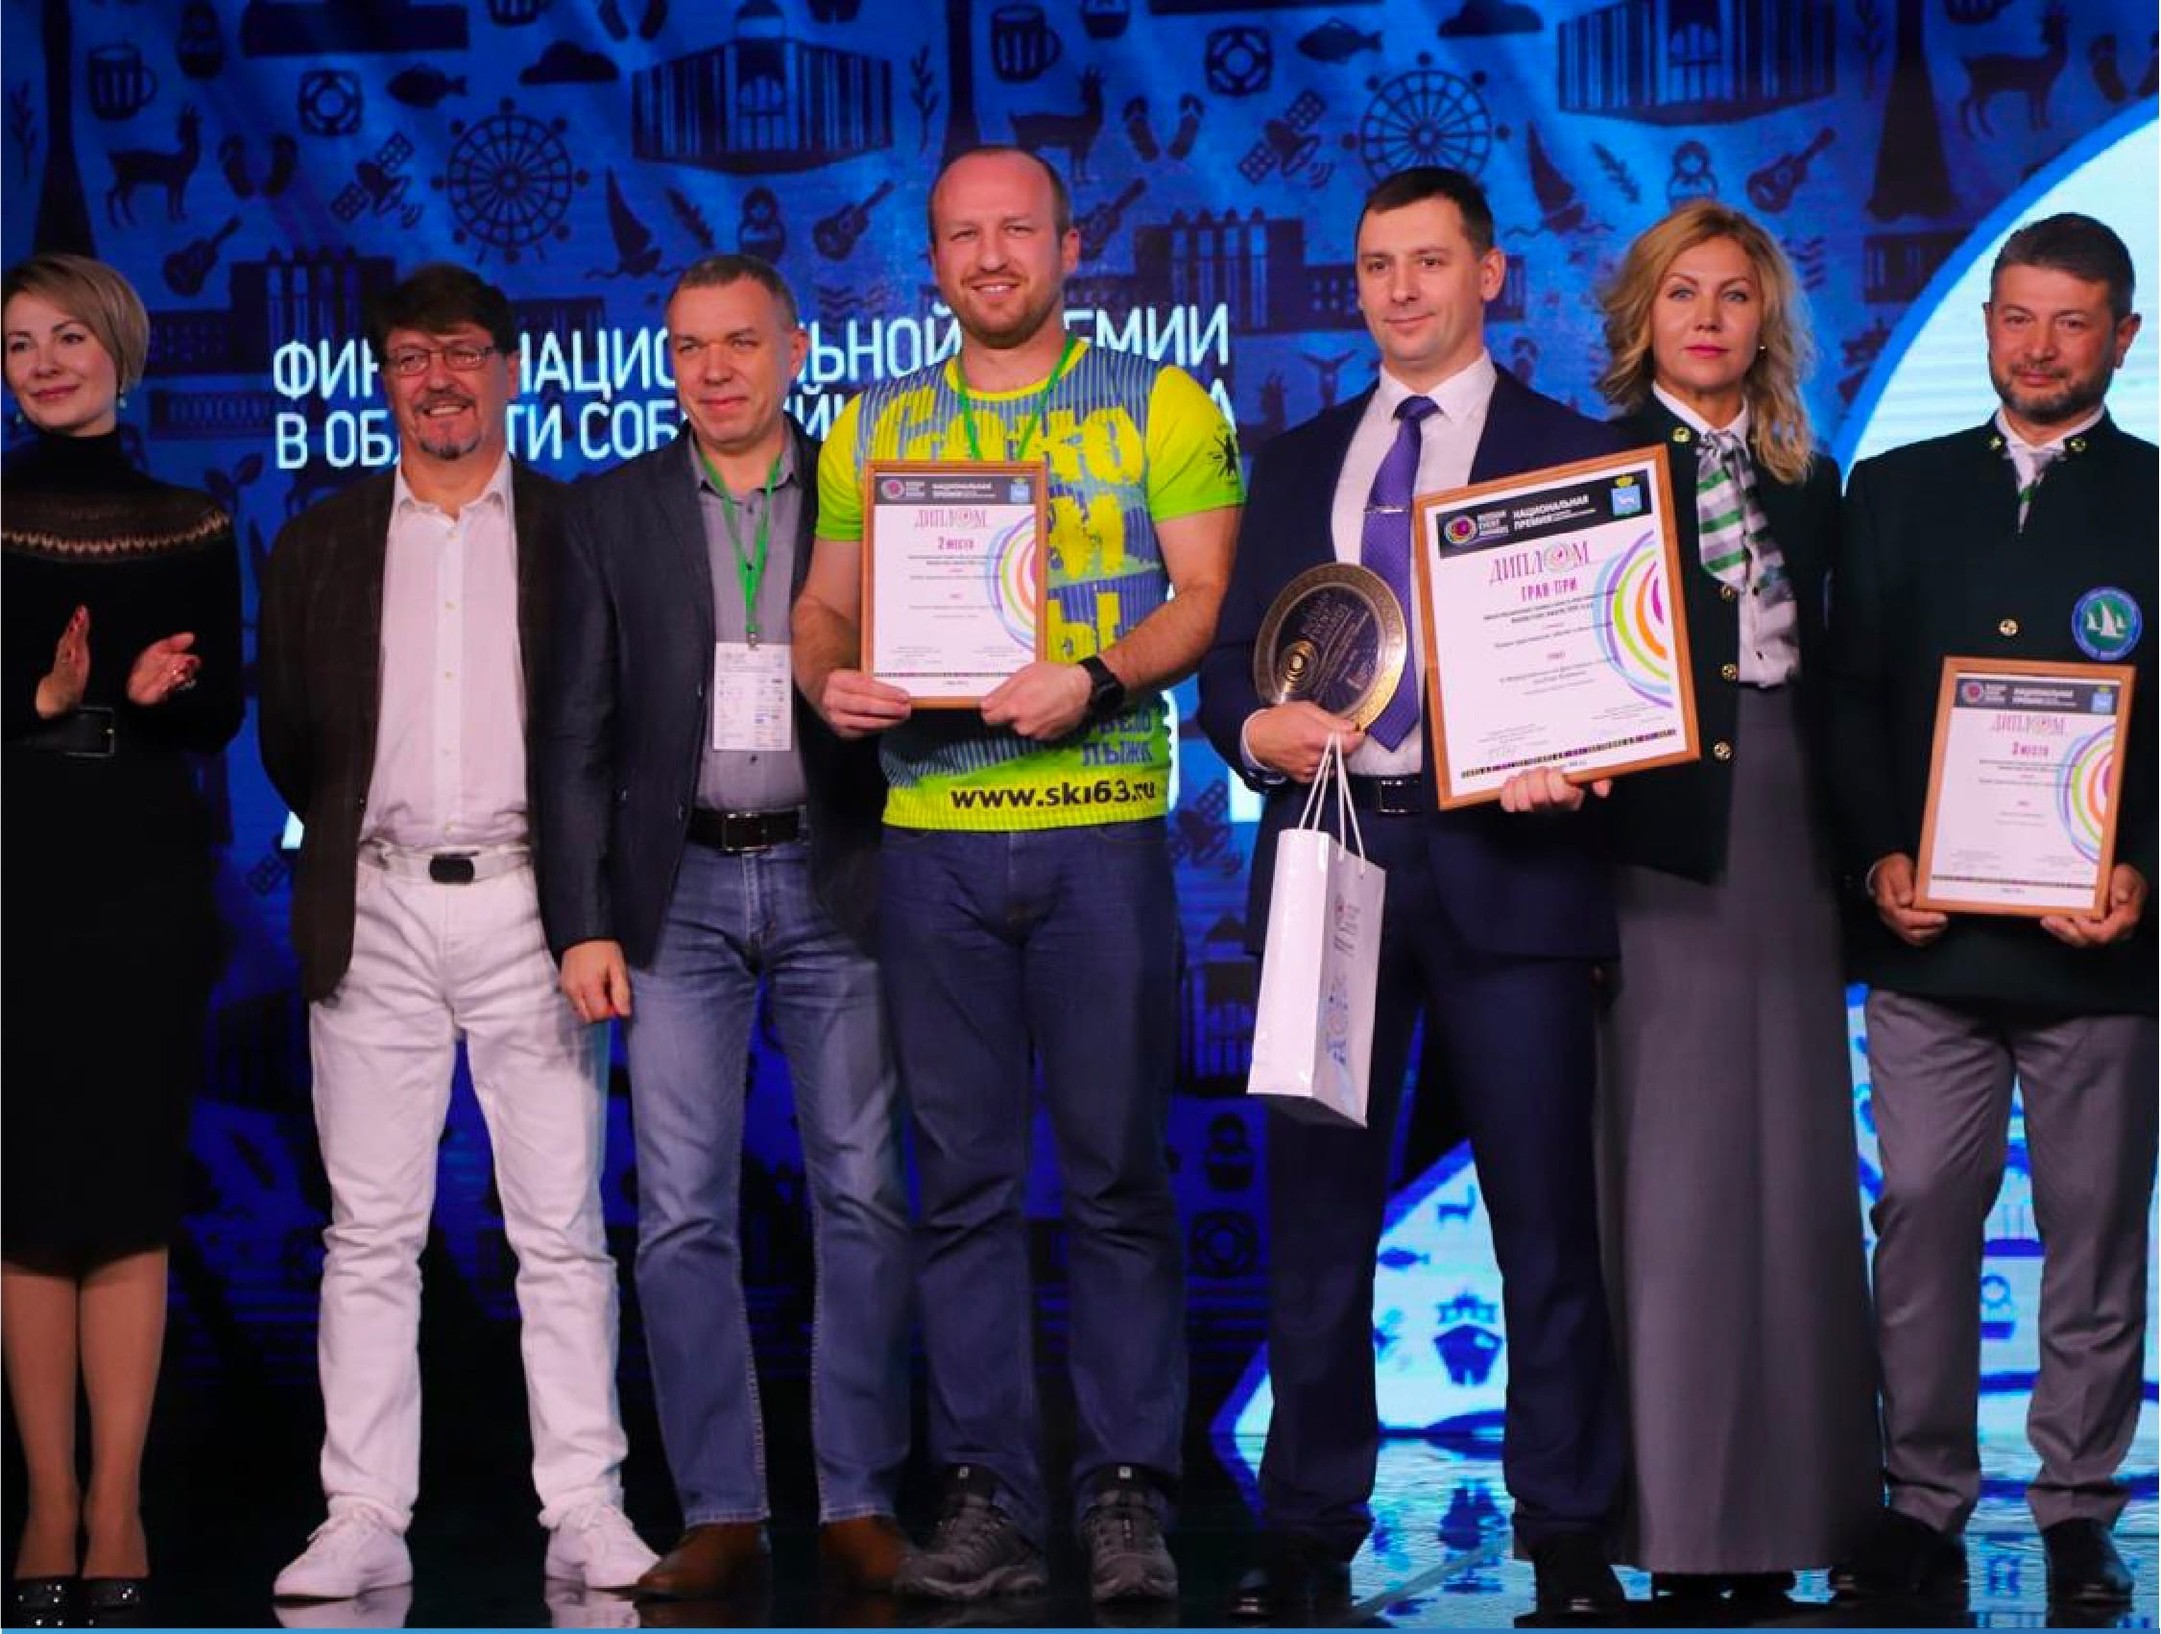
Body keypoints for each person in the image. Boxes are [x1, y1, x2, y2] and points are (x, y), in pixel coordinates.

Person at [793, 145, 1243, 1604]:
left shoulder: (1160, 402)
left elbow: (1206, 596)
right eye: (962, 235)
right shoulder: (875, 423)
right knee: (963, 1189)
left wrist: (1095, 675)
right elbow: (823, 605)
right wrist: (827, 678)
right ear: (931, 259)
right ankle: (988, 1492)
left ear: (1068, 244)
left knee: (1116, 1178)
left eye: (1017, 230)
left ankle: (1126, 1495)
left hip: (1100, 828)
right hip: (930, 841)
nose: (991, 256)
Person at [1195, 166, 1628, 1621]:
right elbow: (1230, 667)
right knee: (1318, 1214)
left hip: (1513, 861)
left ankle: (1567, 1529)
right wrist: (1251, 729)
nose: (1401, 289)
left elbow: (1615, 661)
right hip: (1331, 856)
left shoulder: (1572, 452)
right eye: (1379, 264)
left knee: (1542, 1217)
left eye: (1430, 262)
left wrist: (1583, 755)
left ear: (1489, 275)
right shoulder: (1298, 456)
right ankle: (1308, 1524)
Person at [257, 264, 655, 1600]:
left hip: (535, 907)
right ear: (383, 378)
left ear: (510, 371)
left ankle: (586, 1505)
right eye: (415, 357)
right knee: (369, 1233)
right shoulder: (318, 540)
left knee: (560, 1229)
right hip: (370, 902)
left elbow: (612, 729)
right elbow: (293, 738)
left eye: (466, 352)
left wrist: (585, 904)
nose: (440, 379)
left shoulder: (573, 530)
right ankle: (363, 1510)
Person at [534, 254, 911, 1600]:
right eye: (690, 346)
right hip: (676, 888)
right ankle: (722, 1507)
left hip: (835, 868)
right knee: (681, 1211)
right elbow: (572, 733)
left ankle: (860, 1497)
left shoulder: (863, 491)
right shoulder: (609, 510)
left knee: (862, 1191)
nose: (714, 369)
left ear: (795, 351)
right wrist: (580, 919)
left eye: (741, 342)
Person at [1825, 212, 2156, 1611]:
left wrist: (2143, 870)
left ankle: (2077, 1507)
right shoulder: (1892, 488)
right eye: (2015, 317)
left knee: (2094, 1234)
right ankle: (1921, 1503)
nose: (2038, 346)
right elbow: (1848, 699)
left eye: (2070, 321)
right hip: (1929, 943)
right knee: (1917, 1217)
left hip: (2103, 951)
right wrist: (1876, 859)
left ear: (2122, 337)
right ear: (1985, 326)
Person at [1590, 202, 1879, 1604]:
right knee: (1676, 1186)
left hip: (1788, 841)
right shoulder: (1588, 469)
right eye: (1682, 294)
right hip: (1652, 851)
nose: (1707, 319)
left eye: (1734, 295)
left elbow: (1847, 680)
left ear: (1767, 320)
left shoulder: (1809, 479)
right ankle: (1682, 1528)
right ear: (1640, 315)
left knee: (1794, 1177)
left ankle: (1794, 1518)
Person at [1, 253, 244, 1625]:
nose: (42, 364)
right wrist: (38, 697)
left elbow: (221, 714)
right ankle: (45, 1498)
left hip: (145, 879)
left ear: (119, 351)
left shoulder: (190, 520)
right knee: (28, 1202)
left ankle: (117, 1501)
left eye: (66, 338)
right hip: (14, 878)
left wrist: (157, 695)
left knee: (127, 1196)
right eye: (18, 344)